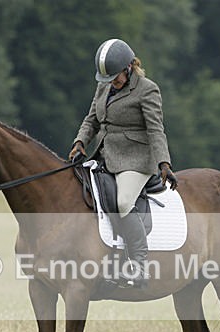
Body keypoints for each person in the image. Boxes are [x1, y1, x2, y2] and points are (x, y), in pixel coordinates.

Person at [69, 38, 177, 288]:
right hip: (105, 154)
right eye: (106, 80)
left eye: (115, 78)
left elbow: (156, 130)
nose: (110, 83)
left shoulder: (147, 89)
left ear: (129, 67)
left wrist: (164, 163)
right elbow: (91, 120)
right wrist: (80, 142)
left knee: (123, 202)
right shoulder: (104, 87)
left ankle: (139, 266)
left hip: (136, 158)